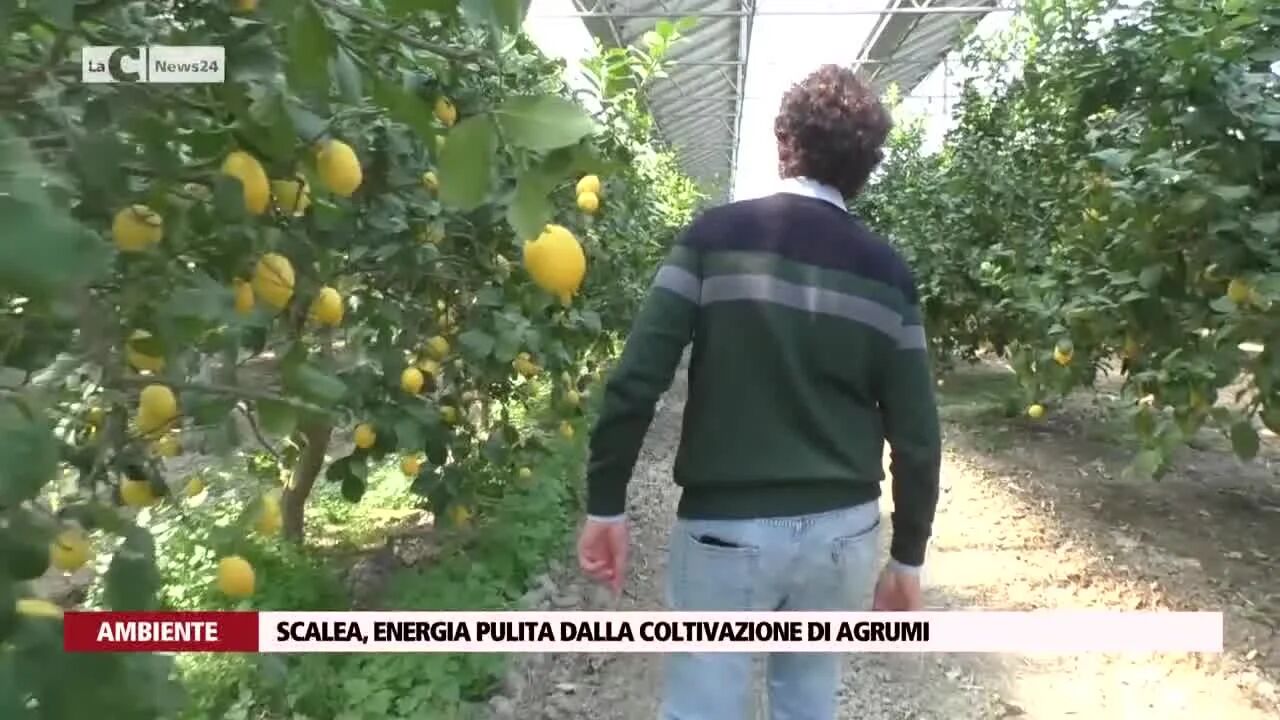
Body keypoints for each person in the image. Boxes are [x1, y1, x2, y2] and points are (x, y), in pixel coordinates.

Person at [577, 64, 942, 720]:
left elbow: (636, 381)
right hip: (842, 534)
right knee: (807, 700)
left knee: (703, 703)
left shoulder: (713, 240)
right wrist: (908, 555)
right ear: (865, 168)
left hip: (726, 533)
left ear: (783, 141)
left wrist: (607, 503)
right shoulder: (888, 275)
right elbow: (916, 433)